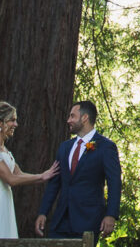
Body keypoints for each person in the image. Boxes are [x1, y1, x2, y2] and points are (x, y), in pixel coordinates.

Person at [0, 100, 59, 239]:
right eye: (12, 120)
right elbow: (11, 179)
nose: (16, 124)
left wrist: (43, 175)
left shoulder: (3, 149)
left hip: (5, 200)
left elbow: (18, 174)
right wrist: (41, 176)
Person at [35, 100, 121, 240]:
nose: (68, 120)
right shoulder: (64, 147)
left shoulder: (105, 147)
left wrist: (110, 215)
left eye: (72, 116)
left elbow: (114, 183)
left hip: (88, 220)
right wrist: (43, 212)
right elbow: (54, 183)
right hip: (60, 221)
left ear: (85, 117)